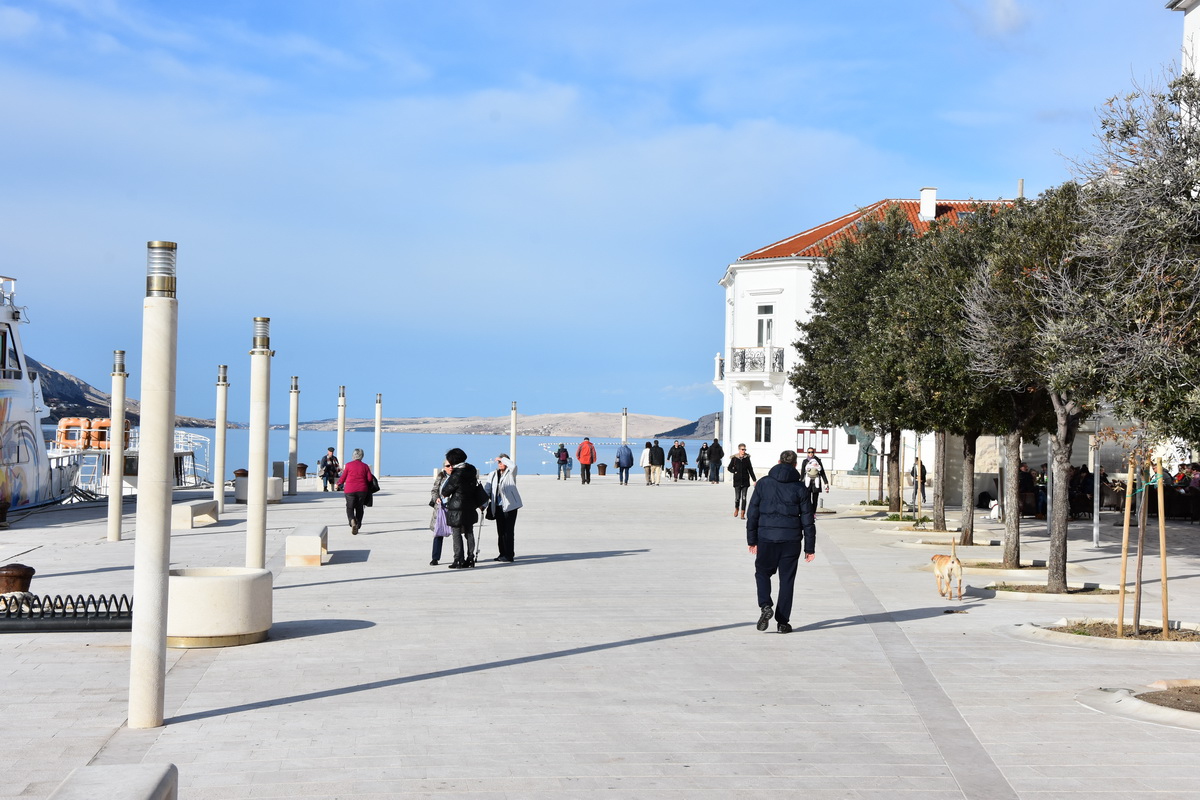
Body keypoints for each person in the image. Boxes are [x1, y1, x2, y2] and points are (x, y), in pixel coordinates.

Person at [746, 449, 817, 635]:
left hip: (766, 538)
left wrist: (752, 540)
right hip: (791, 541)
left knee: (762, 572)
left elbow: (752, 513)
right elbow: (808, 520)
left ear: (778, 462)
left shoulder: (763, 483)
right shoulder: (800, 487)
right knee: (787, 580)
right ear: (795, 465)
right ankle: (783, 623)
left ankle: (765, 605)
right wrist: (809, 548)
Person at [440, 448, 481, 569]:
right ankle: (470, 558)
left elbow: (445, 491)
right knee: (469, 532)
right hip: (470, 505)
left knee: (456, 533)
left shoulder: (456, 474)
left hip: (457, 508)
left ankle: (458, 559)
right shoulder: (471, 469)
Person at [483, 453, 522, 563]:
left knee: (508, 531)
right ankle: (502, 553)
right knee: (501, 531)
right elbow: (487, 490)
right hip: (497, 506)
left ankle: (509, 555)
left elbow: (513, 466)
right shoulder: (493, 474)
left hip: (510, 506)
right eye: (499, 462)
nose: (500, 464)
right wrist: (483, 504)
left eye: (502, 462)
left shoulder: (511, 473)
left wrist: (503, 459)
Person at [336, 448, 375, 534]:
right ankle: (358, 523)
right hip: (362, 490)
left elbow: (343, 477)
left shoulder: (348, 465)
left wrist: (338, 483)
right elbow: (369, 479)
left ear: (353, 456)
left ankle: (352, 520)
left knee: (350, 507)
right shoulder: (365, 466)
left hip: (350, 490)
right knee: (359, 507)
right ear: (362, 456)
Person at [728, 443, 757, 518]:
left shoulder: (747, 458)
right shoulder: (734, 458)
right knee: (737, 498)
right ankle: (736, 509)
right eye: (742, 449)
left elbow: (750, 469)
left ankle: (742, 513)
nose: (744, 451)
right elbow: (729, 468)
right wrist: (734, 471)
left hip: (745, 480)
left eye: (745, 449)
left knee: (744, 497)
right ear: (739, 450)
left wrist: (754, 479)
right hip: (737, 481)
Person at [428, 469, 448, 566]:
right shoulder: (441, 476)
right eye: (448, 466)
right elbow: (434, 490)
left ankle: (459, 557)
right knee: (438, 533)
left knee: (457, 534)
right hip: (441, 508)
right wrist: (436, 498)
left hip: (454, 508)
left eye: (452, 465)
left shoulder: (457, 476)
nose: (450, 467)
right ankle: (435, 558)